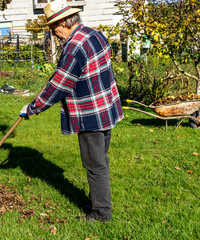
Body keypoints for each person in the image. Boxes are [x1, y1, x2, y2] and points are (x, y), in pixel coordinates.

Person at [19, 0, 124, 222]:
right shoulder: (94, 34)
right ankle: (99, 202)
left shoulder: (74, 47)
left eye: (53, 26)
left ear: (64, 23)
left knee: (94, 164)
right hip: (107, 108)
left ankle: (101, 213)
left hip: (91, 115)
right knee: (100, 160)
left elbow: (59, 86)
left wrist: (32, 108)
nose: (53, 32)